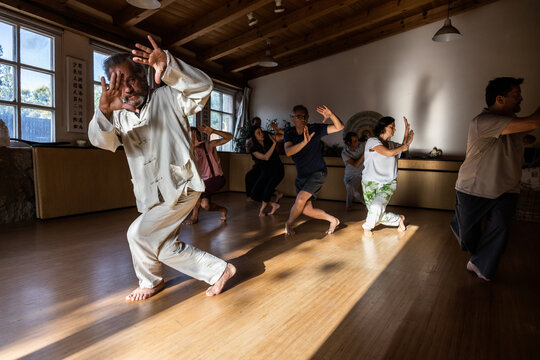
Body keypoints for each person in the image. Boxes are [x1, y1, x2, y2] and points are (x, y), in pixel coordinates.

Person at [88, 35, 235, 301]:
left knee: (138, 233)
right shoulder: (118, 116)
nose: (127, 89)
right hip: (149, 194)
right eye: (118, 83)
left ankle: (149, 281)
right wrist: (104, 113)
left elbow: (202, 88)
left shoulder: (170, 97)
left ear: (143, 76)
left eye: (130, 79)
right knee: (163, 246)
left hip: (181, 185)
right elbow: (103, 142)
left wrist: (169, 66)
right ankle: (218, 270)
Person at [451, 77, 540, 281]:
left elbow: (527, 132)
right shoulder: (482, 121)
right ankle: (461, 227)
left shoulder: (512, 125)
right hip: (473, 188)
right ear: (500, 99)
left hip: (507, 189)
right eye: (516, 95)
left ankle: (480, 265)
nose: (521, 98)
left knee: (499, 231)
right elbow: (533, 123)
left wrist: (525, 138)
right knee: (468, 238)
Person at [283, 105, 343, 235]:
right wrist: (304, 142)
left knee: (300, 200)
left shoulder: (314, 129)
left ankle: (288, 224)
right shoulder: (289, 133)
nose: (303, 119)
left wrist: (331, 115)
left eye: (305, 116)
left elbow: (339, 127)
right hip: (302, 176)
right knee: (306, 210)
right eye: (299, 116)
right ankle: (333, 220)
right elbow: (288, 152)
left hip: (318, 172)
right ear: (292, 118)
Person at [361, 116, 414, 237]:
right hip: (370, 182)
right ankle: (398, 220)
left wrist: (406, 135)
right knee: (375, 211)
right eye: (392, 127)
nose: (394, 130)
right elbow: (389, 153)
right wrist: (405, 145)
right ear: (383, 128)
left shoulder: (392, 145)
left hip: (388, 183)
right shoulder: (372, 141)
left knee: (375, 208)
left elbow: (399, 149)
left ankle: (367, 226)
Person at [185, 124, 232, 224]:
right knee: (205, 205)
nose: (195, 137)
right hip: (204, 183)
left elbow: (230, 137)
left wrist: (214, 131)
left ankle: (194, 217)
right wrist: (192, 148)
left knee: (195, 190)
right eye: (192, 136)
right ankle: (223, 210)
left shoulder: (209, 145)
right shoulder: (188, 151)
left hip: (216, 180)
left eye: (197, 134)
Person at [249, 125, 284, 216]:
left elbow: (283, 137)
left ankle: (262, 211)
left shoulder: (268, 138)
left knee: (267, 190)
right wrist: (274, 144)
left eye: (261, 131)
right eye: (258, 133)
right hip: (266, 172)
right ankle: (274, 203)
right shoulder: (253, 149)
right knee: (254, 194)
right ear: (254, 136)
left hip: (277, 170)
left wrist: (279, 131)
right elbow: (266, 157)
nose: (261, 134)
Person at [341, 132, 366, 210]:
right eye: (355, 141)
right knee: (351, 190)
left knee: (350, 188)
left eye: (358, 140)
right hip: (348, 176)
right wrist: (365, 153)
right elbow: (356, 164)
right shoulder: (344, 153)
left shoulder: (362, 145)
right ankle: (349, 207)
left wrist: (368, 139)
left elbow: (371, 143)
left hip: (358, 175)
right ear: (349, 143)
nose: (358, 142)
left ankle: (350, 206)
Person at [245, 117, 263, 201]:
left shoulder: (262, 135)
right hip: (258, 162)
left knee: (252, 177)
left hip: (263, 162)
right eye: (256, 123)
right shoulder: (250, 136)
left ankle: (253, 197)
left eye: (259, 124)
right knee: (252, 177)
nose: (258, 125)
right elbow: (247, 149)